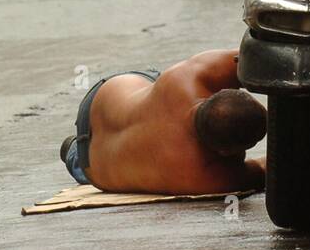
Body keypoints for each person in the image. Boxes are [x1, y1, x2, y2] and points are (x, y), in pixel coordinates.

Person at [61, 50, 266, 195]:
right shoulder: (201, 176)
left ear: (218, 91)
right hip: (93, 168)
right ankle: (74, 154)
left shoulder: (188, 78)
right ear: (225, 152)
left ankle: (75, 152)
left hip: (103, 99)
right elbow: (267, 169)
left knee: (155, 89)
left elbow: (258, 57)